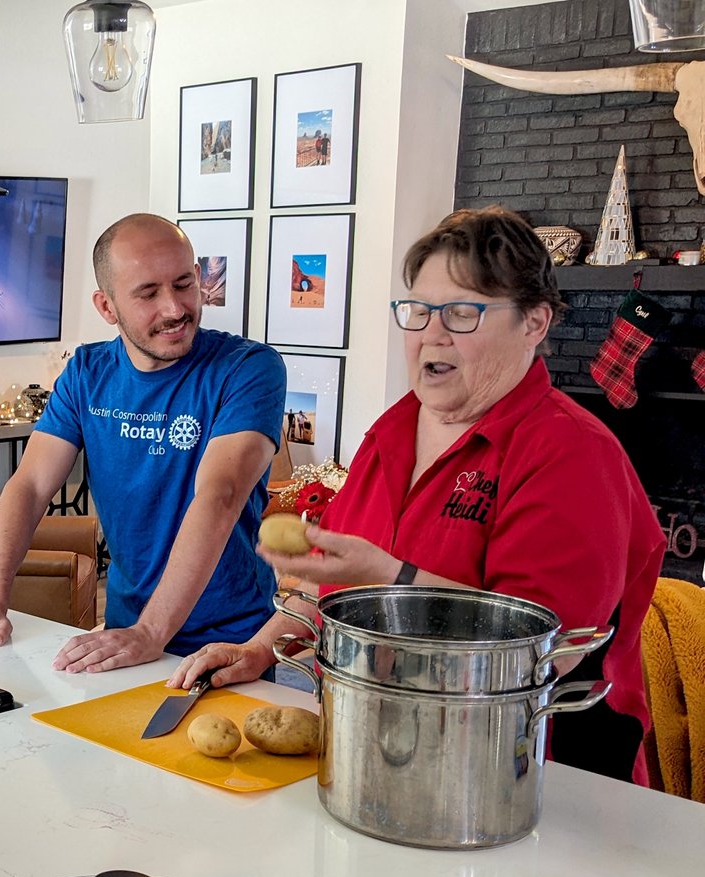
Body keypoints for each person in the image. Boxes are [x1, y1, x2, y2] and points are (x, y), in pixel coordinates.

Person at [170, 205, 664, 785]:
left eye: (461, 312)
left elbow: (541, 654)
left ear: (535, 322)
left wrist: (394, 577)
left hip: (520, 773)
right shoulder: (394, 429)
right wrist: (257, 650)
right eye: (419, 311)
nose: (431, 333)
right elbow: (329, 578)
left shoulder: (573, 454)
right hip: (381, 744)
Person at [0, 213, 287, 673]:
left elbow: (221, 495)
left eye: (183, 284)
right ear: (107, 306)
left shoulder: (248, 368)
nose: (175, 309)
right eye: (148, 294)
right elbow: (31, 486)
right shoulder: (87, 374)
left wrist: (152, 632)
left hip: (229, 646)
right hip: (125, 637)